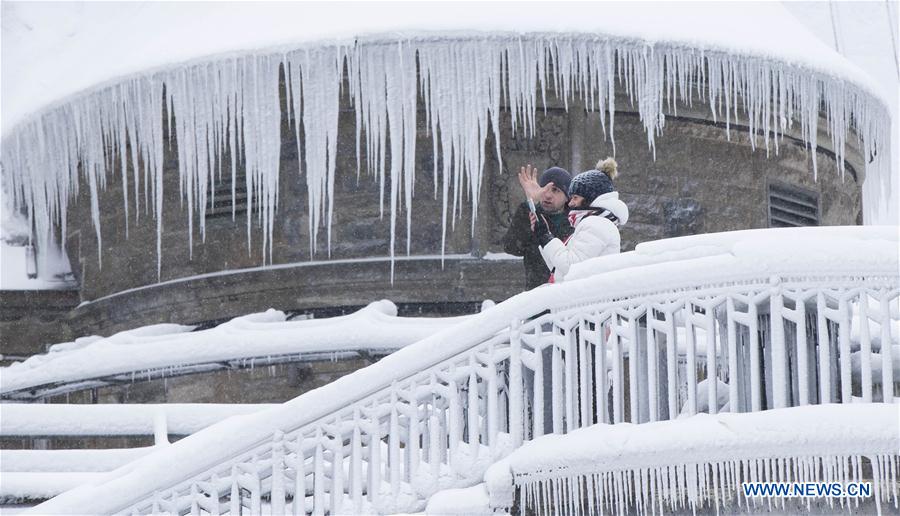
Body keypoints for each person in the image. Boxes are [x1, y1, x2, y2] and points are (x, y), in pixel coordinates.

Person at [531, 157, 629, 282]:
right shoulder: (594, 222)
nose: (570, 203)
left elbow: (571, 267)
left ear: (590, 198)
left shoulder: (597, 224)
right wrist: (544, 237)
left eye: (575, 198)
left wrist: (546, 237)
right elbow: (558, 268)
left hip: (587, 292)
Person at [502, 165, 574, 290]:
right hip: (536, 293)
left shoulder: (575, 220)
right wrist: (530, 205)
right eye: (544, 189)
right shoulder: (530, 212)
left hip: (567, 292)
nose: (548, 195)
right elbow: (511, 247)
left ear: (567, 197)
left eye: (555, 190)